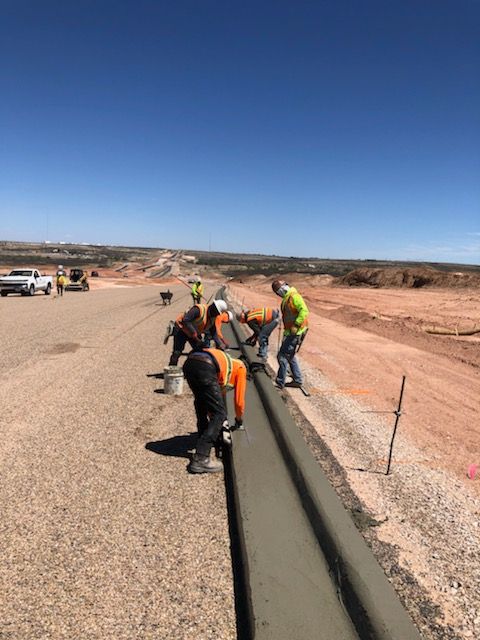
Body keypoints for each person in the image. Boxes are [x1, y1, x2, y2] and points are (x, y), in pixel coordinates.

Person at [183, 347, 246, 473]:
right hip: (205, 367)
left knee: (201, 401)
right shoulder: (241, 368)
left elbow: (211, 399)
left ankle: (202, 437)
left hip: (190, 363)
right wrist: (239, 420)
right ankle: (201, 458)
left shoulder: (226, 362)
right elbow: (239, 402)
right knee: (220, 414)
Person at [271, 279, 309, 389]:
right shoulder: (287, 299)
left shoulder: (294, 296)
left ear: (283, 288)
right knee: (290, 356)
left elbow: (304, 311)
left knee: (282, 356)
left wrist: (296, 325)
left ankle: (280, 382)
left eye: (278, 291)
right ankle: (297, 379)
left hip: (297, 331)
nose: (278, 294)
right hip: (291, 331)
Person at [168, 299, 228, 366]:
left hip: (193, 334)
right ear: (213, 307)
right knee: (177, 352)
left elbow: (213, 332)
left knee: (200, 351)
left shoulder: (212, 317)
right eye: (216, 312)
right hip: (181, 330)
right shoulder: (199, 310)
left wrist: (219, 343)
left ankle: (193, 367)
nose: (216, 315)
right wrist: (193, 332)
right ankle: (171, 368)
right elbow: (186, 319)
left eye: (218, 313)